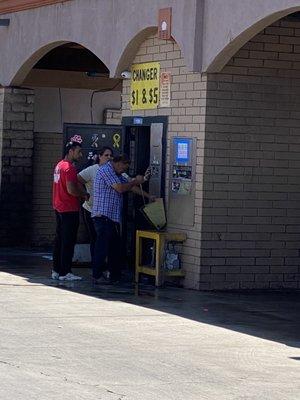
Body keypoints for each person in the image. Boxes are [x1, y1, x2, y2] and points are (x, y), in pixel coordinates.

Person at [92, 154, 154, 284]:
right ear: (118, 163)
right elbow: (120, 188)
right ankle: (97, 275)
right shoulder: (106, 170)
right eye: (124, 167)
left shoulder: (118, 174)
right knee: (102, 247)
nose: (124, 170)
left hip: (112, 218)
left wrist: (147, 194)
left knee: (115, 247)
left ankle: (114, 275)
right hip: (103, 216)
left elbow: (131, 185)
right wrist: (134, 181)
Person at [52, 141, 89, 281]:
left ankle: (56, 270)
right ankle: (65, 272)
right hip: (69, 208)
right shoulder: (69, 168)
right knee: (68, 241)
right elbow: (71, 189)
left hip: (58, 207)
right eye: (78, 151)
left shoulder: (59, 166)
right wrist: (84, 194)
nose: (80, 154)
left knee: (59, 240)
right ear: (71, 151)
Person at [77, 146, 113, 259]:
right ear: (100, 157)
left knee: (105, 239)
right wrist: (84, 193)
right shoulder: (93, 169)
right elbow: (77, 179)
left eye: (111, 155)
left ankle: (103, 265)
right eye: (106, 155)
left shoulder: (113, 170)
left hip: (105, 211)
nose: (109, 158)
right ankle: (96, 267)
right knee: (95, 238)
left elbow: (126, 181)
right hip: (91, 209)